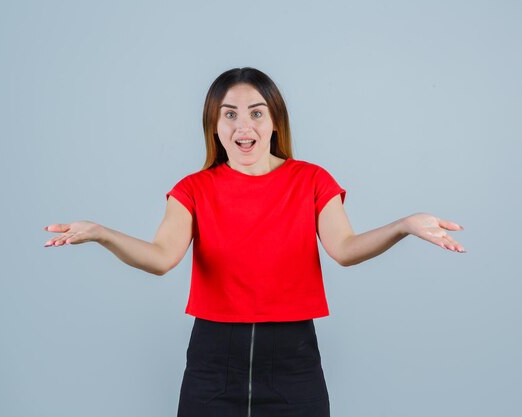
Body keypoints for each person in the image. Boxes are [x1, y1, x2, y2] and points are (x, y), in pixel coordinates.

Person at [43, 67, 466, 417]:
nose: (243, 126)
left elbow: (345, 248)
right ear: (214, 124)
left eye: (256, 113)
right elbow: (160, 257)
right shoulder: (193, 188)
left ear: (275, 121)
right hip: (213, 360)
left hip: (293, 360)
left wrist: (404, 226)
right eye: (229, 115)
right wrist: (101, 234)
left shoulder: (312, 180)